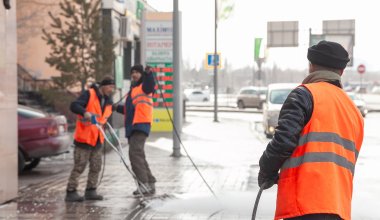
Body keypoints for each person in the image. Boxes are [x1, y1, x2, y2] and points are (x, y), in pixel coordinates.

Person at [258, 41, 364, 220]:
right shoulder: (354, 111)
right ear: (341, 71)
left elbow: (283, 141)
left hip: (304, 204)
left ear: (311, 66)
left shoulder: (304, 95)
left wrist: (266, 170)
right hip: (339, 207)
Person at [65, 75, 115, 202]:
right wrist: (84, 112)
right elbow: (74, 105)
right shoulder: (89, 94)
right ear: (103, 86)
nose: (111, 89)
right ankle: (71, 192)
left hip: (97, 139)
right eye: (110, 86)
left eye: (113, 87)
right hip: (84, 138)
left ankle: (91, 190)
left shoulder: (108, 101)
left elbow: (112, 111)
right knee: (79, 166)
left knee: (96, 166)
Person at [116, 64, 156, 195]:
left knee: (135, 155)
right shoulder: (134, 90)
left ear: (142, 74)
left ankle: (144, 184)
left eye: (137, 72)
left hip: (141, 123)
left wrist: (149, 73)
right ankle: (149, 183)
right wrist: (116, 108)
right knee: (139, 155)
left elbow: (150, 85)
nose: (134, 74)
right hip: (134, 126)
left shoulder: (144, 86)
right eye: (132, 72)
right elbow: (129, 110)